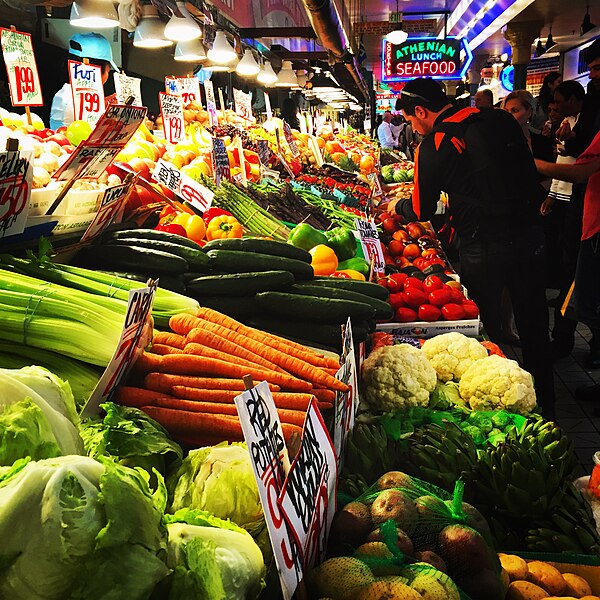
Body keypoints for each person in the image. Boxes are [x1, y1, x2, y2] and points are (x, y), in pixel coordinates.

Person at [391, 77, 555, 415]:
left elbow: (422, 208)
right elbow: (525, 167)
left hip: (483, 245)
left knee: (486, 329)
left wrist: (398, 208)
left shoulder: (435, 142)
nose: (413, 125)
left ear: (420, 110)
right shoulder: (498, 118)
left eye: (410, 119)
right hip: (530, 234)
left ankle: (505, 411)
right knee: (535, 325)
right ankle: (547, 406)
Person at [536, 131, 600, 400]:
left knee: (589, 305)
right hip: (593, 228)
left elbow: (580, 172)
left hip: (598, 231)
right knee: (588, 305)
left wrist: (530, 161)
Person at [49, 32, 118, 131]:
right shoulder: (68, 100)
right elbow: (92, 134)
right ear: (98, 69)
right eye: (108, 68)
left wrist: (102, 104)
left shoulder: (64, 94)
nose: (108, 73)